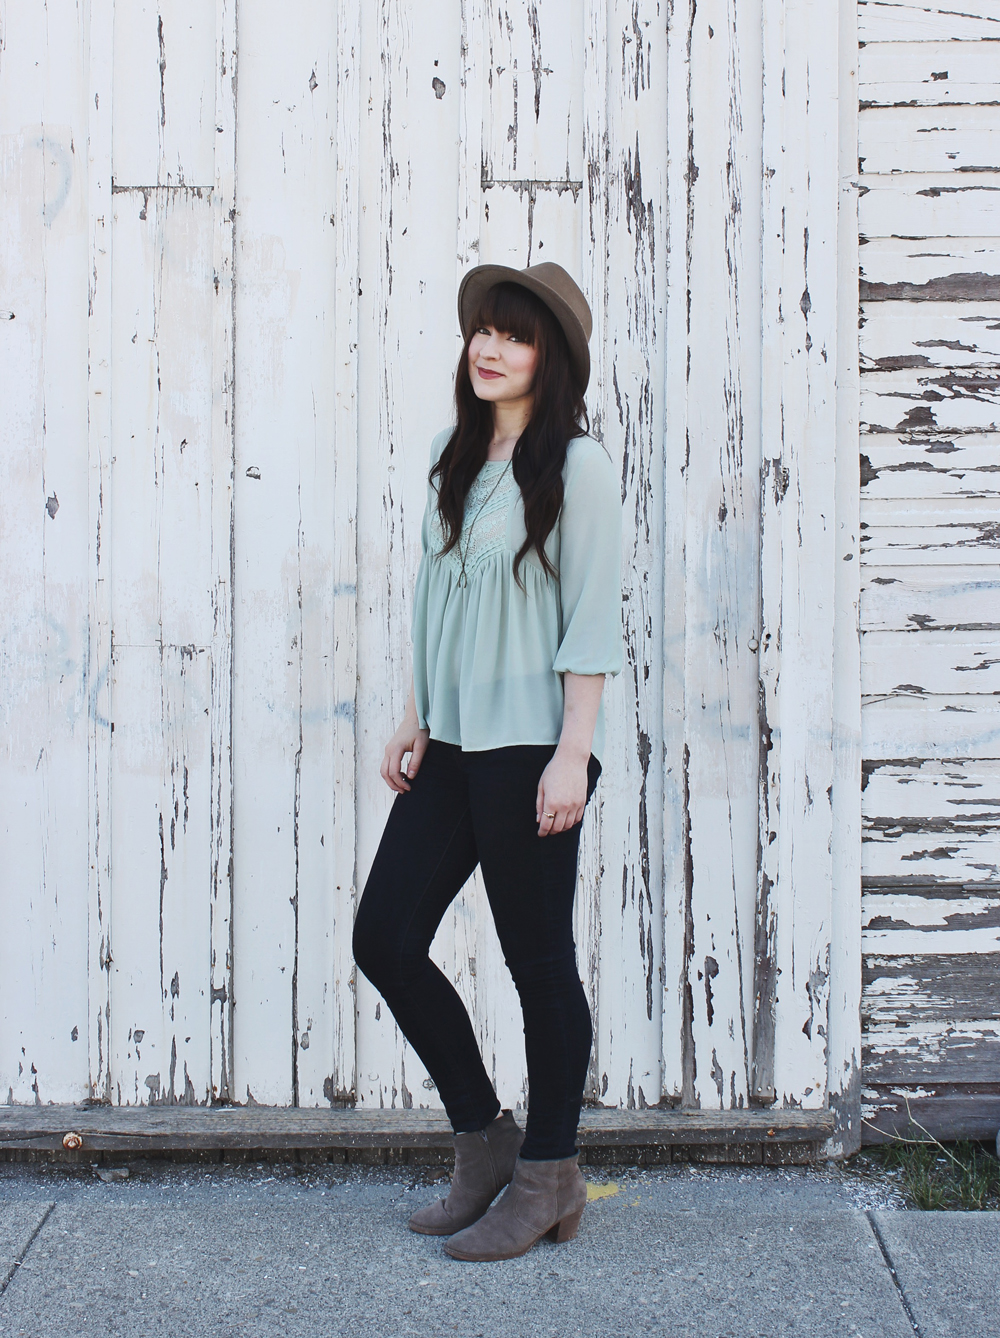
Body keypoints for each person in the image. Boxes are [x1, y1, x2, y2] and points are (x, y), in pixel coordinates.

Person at [352, 261, 623, 1262]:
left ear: (551, 361)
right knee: (385, 939)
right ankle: (485, 1140)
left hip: (533, 750)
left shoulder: (578, 470)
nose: (490, 348)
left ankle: (549, 1176)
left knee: (537, 964)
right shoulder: (451, 455)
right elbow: (435, 597)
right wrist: (416, 714)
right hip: (456, 744)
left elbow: (591, 619)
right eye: (483, 330)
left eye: (515, 336)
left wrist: (572, 754)